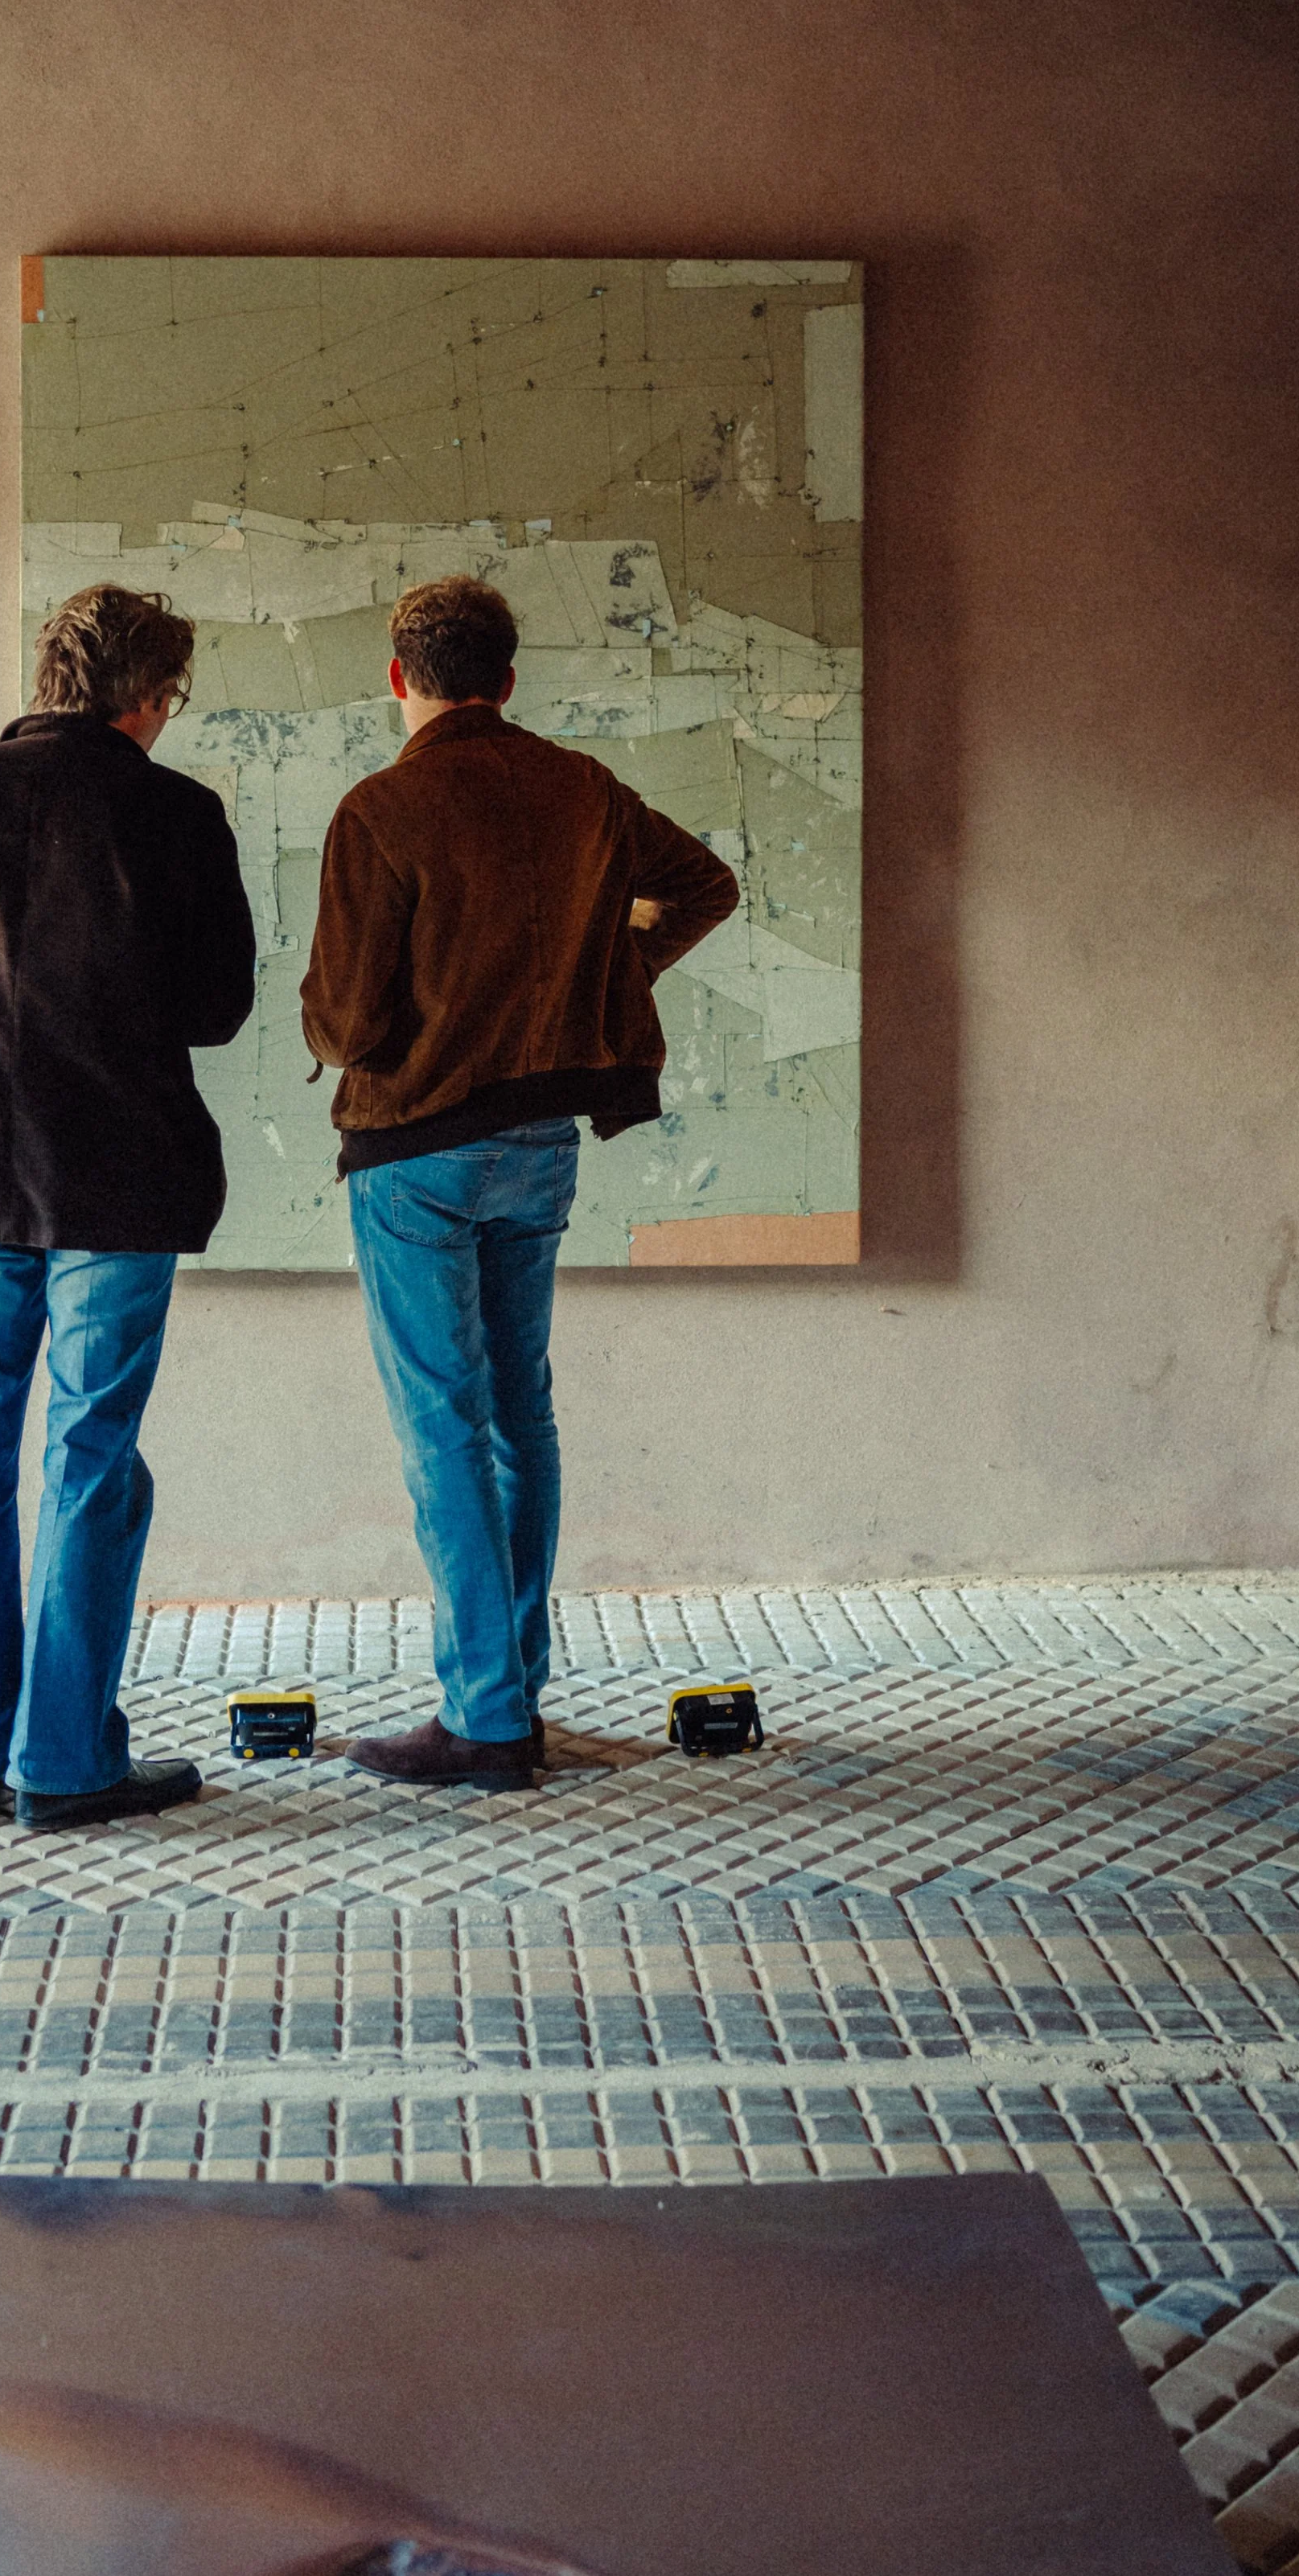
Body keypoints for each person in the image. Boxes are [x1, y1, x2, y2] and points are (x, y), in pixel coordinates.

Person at [300, 576, 740, 1794]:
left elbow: (343, 1025)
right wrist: (615, 974)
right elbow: (707, 884)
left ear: (402, 679)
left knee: (443, 1420)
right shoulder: (583, 791)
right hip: (542, 1140)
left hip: (415, 1155)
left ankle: (486, 1717)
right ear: (507, 675)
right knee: (519, 1414)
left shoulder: (381, 810)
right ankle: (513, 1690)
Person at [0, 585, 255, 1830]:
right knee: (89, 1456)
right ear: (149, 694)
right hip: (117, 1176)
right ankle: (66, 1763)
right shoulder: (178, 812)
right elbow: (216, 1009)